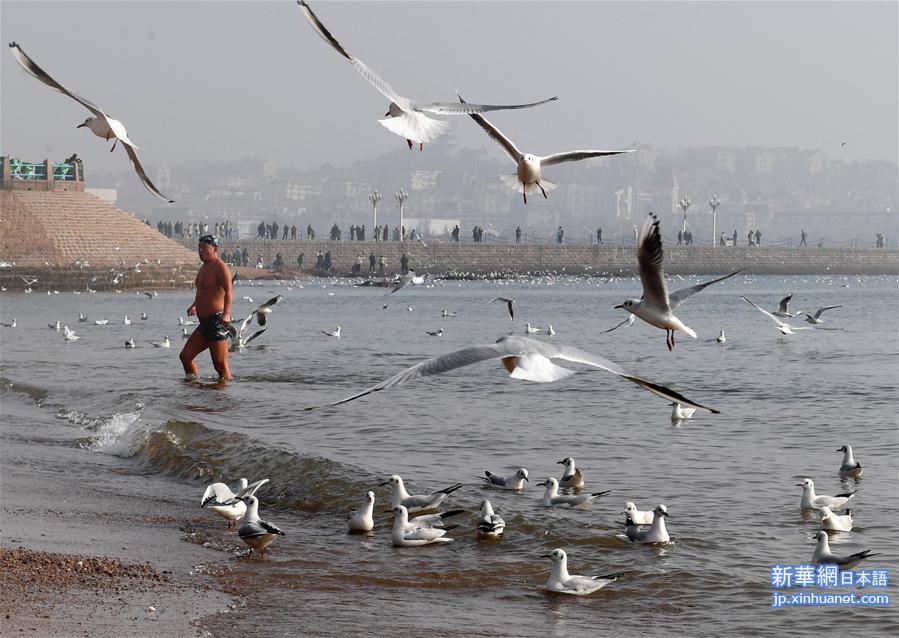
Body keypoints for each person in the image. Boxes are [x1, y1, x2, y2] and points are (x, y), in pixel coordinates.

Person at [180, 235, 233, 381]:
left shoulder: (220, 266)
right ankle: (193, 387)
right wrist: (195, 305)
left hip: (217, 322)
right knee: (185, 356)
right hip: (204, 324)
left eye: (204, 246)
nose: (200, 250)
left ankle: (224, 395)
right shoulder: (204, 268)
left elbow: (229, 290)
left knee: (220, 364)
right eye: (199, 246)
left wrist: (227, 313)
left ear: (215, 248)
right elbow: (203, 291)